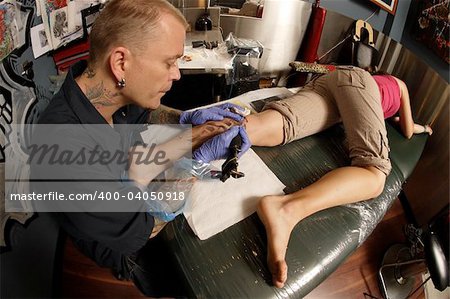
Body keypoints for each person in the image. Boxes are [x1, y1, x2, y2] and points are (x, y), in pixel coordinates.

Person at [30, 0, 247, 296]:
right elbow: (144, 227)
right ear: (121, 62)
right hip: (124, 250)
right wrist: (194, 162)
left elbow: (141, 118)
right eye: (169, 62)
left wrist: (187, 124)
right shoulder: (62, 149)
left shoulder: (106, 91)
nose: (176, 74)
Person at [188, 67, 432, 288]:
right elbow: (407, 129)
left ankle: (181, 140)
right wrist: (425, 129)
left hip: (333, 82)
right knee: (375, 174)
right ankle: (286, 210)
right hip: (356, 84)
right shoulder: (400, 86)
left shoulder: (378, 87)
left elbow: (381, 115)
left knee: (269, 127)